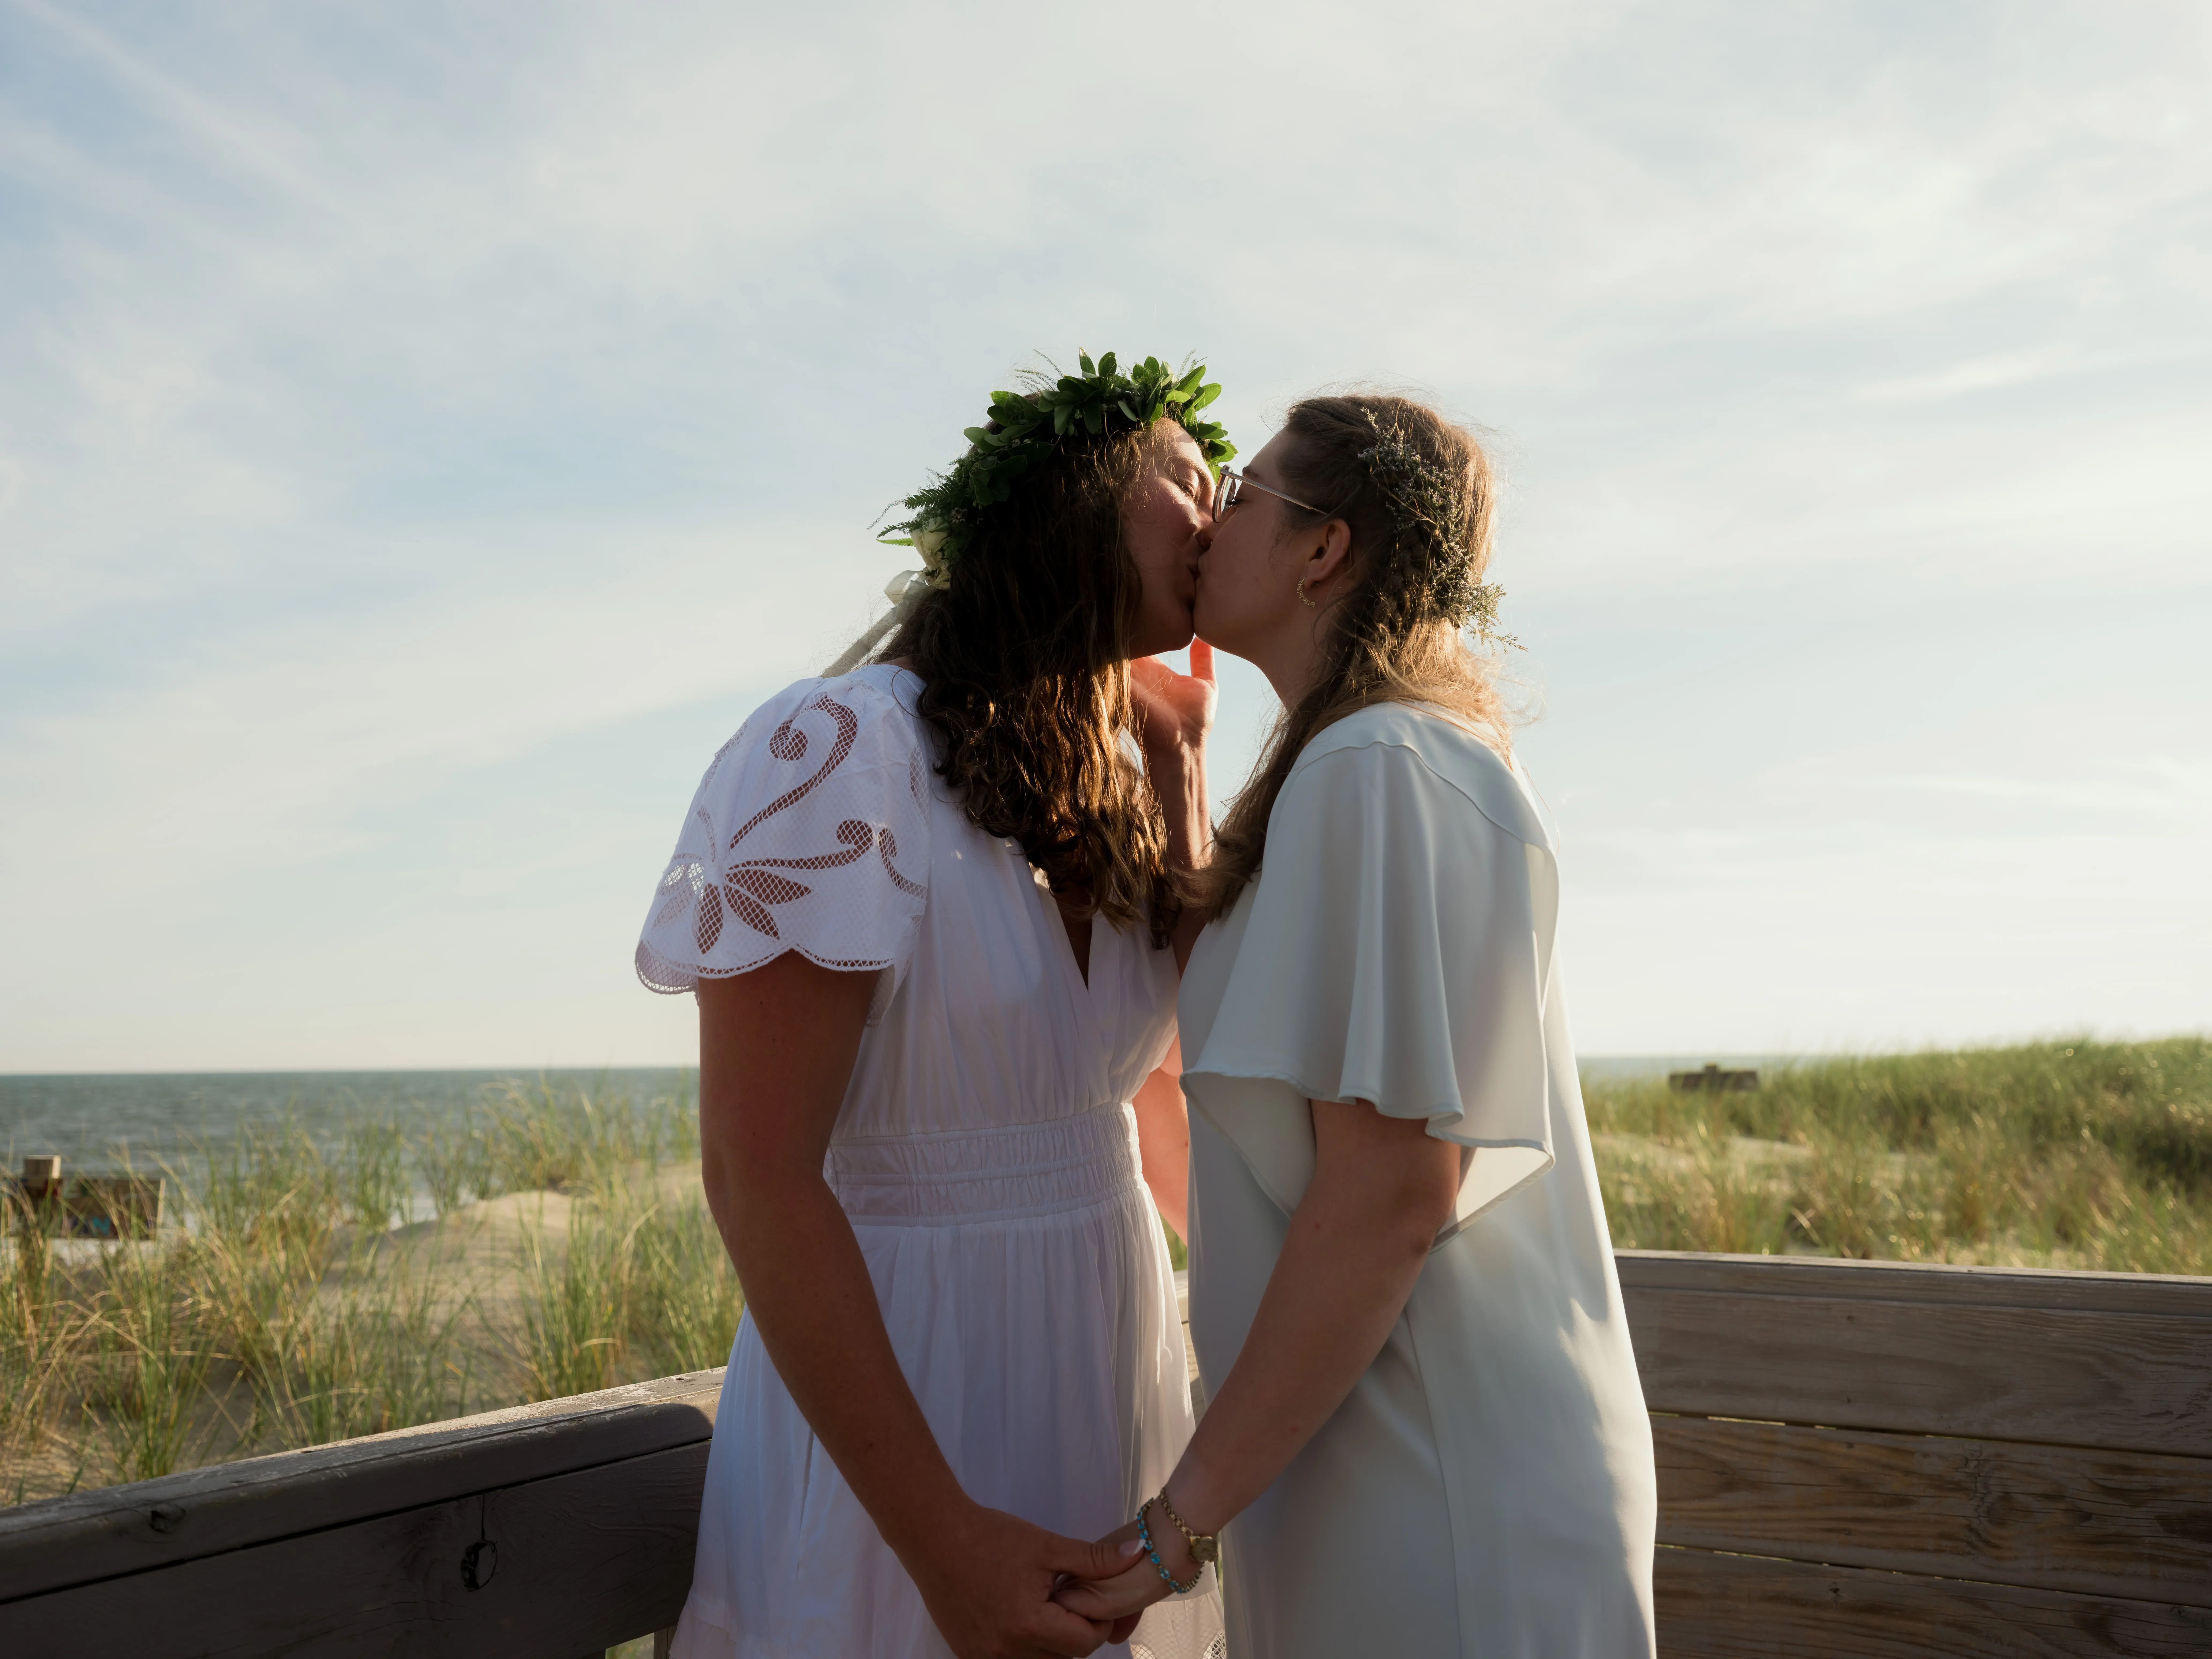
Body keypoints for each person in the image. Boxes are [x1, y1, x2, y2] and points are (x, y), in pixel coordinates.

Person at [634, 354, 1232, 1659]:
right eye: (1191, 479)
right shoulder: (843, 752)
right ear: (1077, 497)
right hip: (910, 1419)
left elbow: (1187, 1092)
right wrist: (943, 1540)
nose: (1221, 513)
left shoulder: (1105, 777)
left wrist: (1183, 766)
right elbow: (756, 1173)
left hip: (1103, 1374)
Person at [1058, 394, 1659, 1656]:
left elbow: (1390, 1198)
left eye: (1242, 494)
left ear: (1323, 549)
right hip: (1369, 1448)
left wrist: (1178, 1527)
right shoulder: (1360, 764)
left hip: (1434, 1470)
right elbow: (1237, 1035)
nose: (1210, 522)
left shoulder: (1379, 767)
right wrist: (1177, 765)